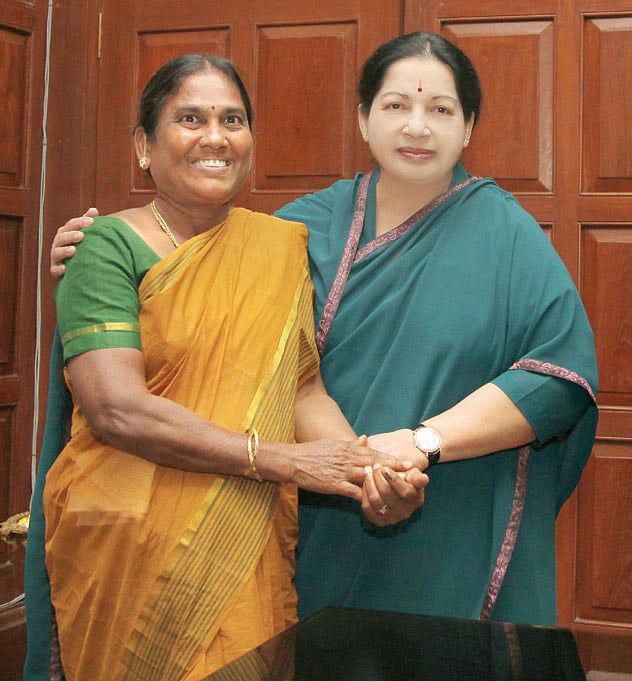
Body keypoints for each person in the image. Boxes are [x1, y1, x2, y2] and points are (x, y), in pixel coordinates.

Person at [48, 32, 598, 631]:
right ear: (363, 119)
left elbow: (559, 377)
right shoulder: (293, 229)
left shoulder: (508, 236)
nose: (417, 127)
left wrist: (420, 444)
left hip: (447, 518)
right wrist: (96, 257)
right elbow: (194, 308)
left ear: (468, 128)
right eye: (396, 105)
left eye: (440, 109)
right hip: (300, 512)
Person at [24, 53, 427, 681]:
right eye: (190, 119)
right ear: (143, 146)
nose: (215, 137)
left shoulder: (277, 248)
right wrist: (288, 462)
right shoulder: (104, 248)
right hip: (129, 549)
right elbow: (116, 409)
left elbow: (301, 389)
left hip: (242, 543)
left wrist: (364, 473)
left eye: (232, 120)